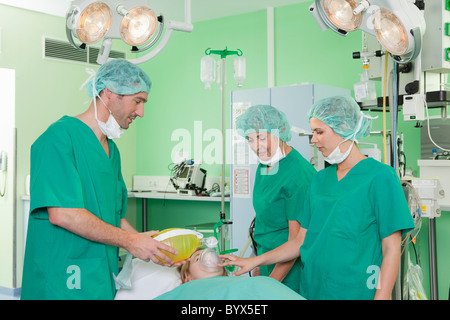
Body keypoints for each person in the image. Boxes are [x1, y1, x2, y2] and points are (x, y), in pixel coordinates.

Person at [221, 96, 415, 300]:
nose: (313, 140)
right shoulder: (320, 179)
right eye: (313, 132)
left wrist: (382, 297)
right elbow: (299, 242)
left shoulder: (381, 177)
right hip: (314, 288)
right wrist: (256, 261)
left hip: (356, 289)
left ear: (343, 127)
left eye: (319, 132)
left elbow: (391, 248)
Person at [22, 59, 180, 300]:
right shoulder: (59, 137)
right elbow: (63, 213)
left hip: (99, 273)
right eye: (138, 101)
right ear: (109, 93)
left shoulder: (111, 151)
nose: (141, 112)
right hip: (63, 276)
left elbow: (113, 217)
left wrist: (148, 246)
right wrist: (130, 242)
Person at [234, 105, 316, 293]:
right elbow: (264, 219)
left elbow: (295, 242)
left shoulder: (298, 174)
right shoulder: (265, 165)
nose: (256, 146)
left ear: (280, 131)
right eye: (250, 139)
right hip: (265, 260)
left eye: (262, 137)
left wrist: (270, 286)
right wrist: (257, 264)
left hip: (289, 272)